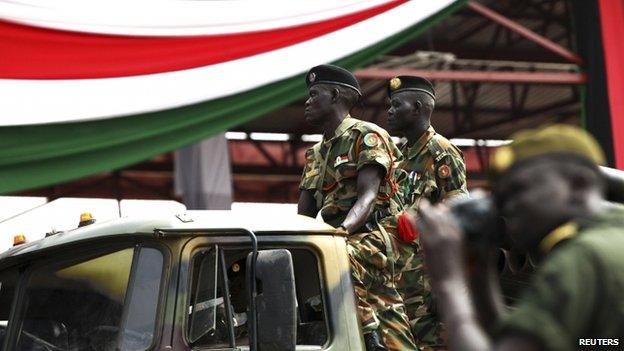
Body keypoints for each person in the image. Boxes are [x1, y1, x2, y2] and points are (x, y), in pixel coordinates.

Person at [414, 124, 624, 351]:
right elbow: (514, 339)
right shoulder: (610, 238)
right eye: (501, 199)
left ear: (579, 184)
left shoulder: (583, 258)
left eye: (519, 190)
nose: (507, 209)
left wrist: (448, 283)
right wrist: (480, 269)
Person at [297, 64, 417, 350]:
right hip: (346, 240)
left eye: (315, 95)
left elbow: (368, 197)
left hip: (379, 233)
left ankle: (370, 338)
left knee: (338, 260)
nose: (307, 101)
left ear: (335, 95)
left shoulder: (366, 136)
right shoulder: (315, 153)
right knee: (387, 310)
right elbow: (304, 213)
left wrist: (338, 237)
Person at [386, 75, 468, 349]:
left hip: (429, 277)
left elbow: (458, 208)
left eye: (397, 105)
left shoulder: (441, 151)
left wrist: (419, 220)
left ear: (418, 108)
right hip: (403, 278)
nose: (390, 111)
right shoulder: (400, 156)